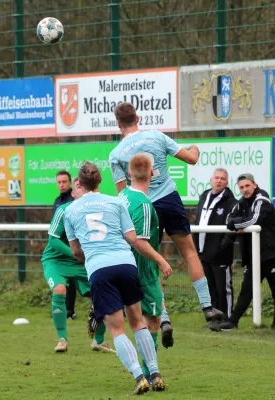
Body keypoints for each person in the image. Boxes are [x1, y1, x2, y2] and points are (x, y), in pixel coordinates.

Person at [109, 102, 223, 327]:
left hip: (144, 206)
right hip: (170, 199)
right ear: (138, 118)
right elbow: (191, 158)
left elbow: (124, 194)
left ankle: (164, 319)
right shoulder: (156, 136)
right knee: (189, 252)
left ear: (118, 124)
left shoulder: (115, 154)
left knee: (151, 262)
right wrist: (195, 148)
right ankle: (207, 306)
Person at [64, 161, 172, 394]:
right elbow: (133, 237)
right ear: (100, 181)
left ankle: (138, 376)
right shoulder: (116, 201)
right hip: (125, 264)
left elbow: (75, 250)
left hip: (99, 269)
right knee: (137, 322)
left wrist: (91, 258)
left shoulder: (70, 210)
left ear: (79, 184)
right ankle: (155, 373)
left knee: (117, 330)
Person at [42, 177, 115, 354]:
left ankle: (99, 341)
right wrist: (77, 255)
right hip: (57, 260)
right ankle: (62, 339)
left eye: (84, 185)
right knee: (59, 289)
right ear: (73, 193)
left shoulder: (96, 213)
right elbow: (53, 241)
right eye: (78, 186)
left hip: (83, 261)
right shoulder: (63, 210)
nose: (81, 188)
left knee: (102, 293)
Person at [118, 153, 173, 382]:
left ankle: (149, 372)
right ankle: (150, 372)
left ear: (129, 174)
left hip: (122, 266)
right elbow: (139, 241)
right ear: (152, 173)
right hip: (142, 271)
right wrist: (161, 260)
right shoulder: (145, 205)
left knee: (136, 321)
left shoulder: (122, 196)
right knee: (151, 321)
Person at [212, 173, 275, 332]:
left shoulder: (262, 199)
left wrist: (236, 224)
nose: (245, 190)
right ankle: (233, 322)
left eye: (247, 186)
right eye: (241, 187)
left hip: (272, 253)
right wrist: (235, 224)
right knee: (247, 290)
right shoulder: (241, 202)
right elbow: (229, 219)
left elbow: (254, 221)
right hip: (255, 255)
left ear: (254, 184)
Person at [194, 168, 237, 320]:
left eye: (223, 179)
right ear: (211, 180)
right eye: (216, 178)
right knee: (210, 288)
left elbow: (233, 228)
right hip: (202, 252)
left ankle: (227, 319)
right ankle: (215, 320)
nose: (219, 181)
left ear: (227, 182)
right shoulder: (204, 196)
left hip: (220, 254)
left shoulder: (231, 202)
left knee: (223, 289)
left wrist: (222, 246)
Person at [52, 170, 76, 320]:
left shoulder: (73, 200)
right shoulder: (56, 201)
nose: (61, 185)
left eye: (64, 182)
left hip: (72, 245)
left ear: (70, 183)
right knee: (61, 279)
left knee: (73, 279)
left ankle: (71, 310)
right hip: (59, 246)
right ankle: (63, 310)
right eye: (59, 182)